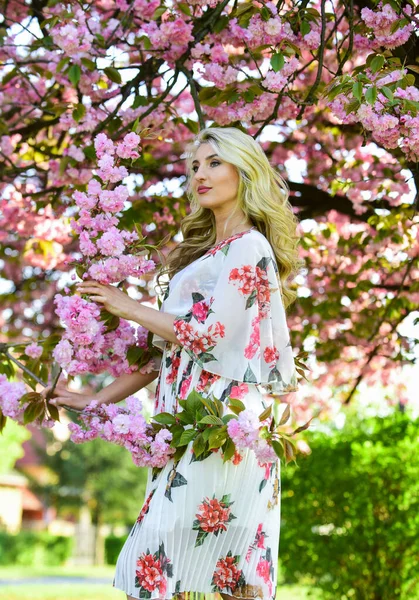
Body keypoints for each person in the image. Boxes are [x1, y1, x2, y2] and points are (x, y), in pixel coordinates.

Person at [45, 126, 304, 600]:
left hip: (223, 425)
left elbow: (210, 337)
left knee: (203, 570)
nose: (199, 175)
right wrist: (92, 398)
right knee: (176, 567)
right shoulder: (202, 253)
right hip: (182, 425)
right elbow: (166, 353)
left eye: (213, 163)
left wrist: (127, 307)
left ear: (244, 171)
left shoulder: (249, 246)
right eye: (193, 166)